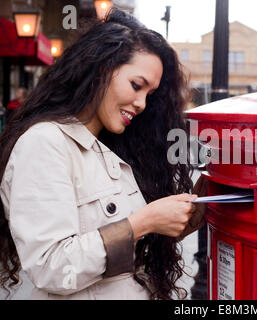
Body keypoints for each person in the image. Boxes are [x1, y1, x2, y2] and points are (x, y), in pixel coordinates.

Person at [0, 8, 207, 300]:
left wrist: (182, 217)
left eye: (149, 95)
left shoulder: (110, 148)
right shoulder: (44, 143)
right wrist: (144, 222)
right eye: (137, 86)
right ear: (100, 68)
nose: (141, 104)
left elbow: (125, 245)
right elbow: (51, 267)